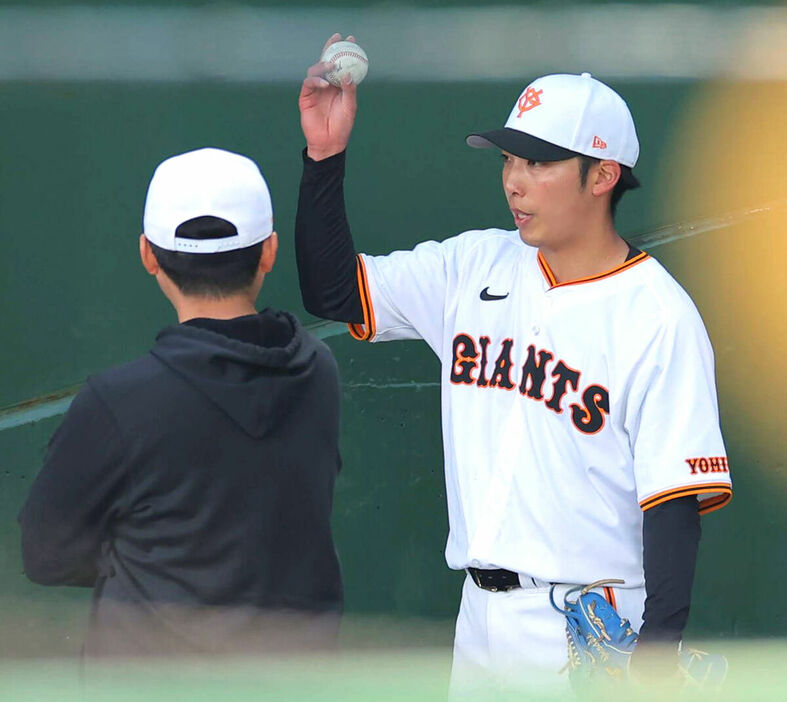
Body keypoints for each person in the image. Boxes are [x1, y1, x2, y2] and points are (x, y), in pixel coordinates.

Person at [295, 35, 732, 690]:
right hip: (480, 622)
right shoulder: (472, 265)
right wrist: (323, 157)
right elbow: (332, 291)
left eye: (538, 162)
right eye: (508, 159)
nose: (513, 180)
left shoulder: (656, 315)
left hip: (591, 625)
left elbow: (670, 505)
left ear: (602, 174)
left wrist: (655, 660)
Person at [19, 147, 343, 657]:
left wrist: (149, 559)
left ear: (148, 255)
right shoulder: (319, 370)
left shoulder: (117, 401)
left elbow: (46, 556)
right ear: (270, 251)